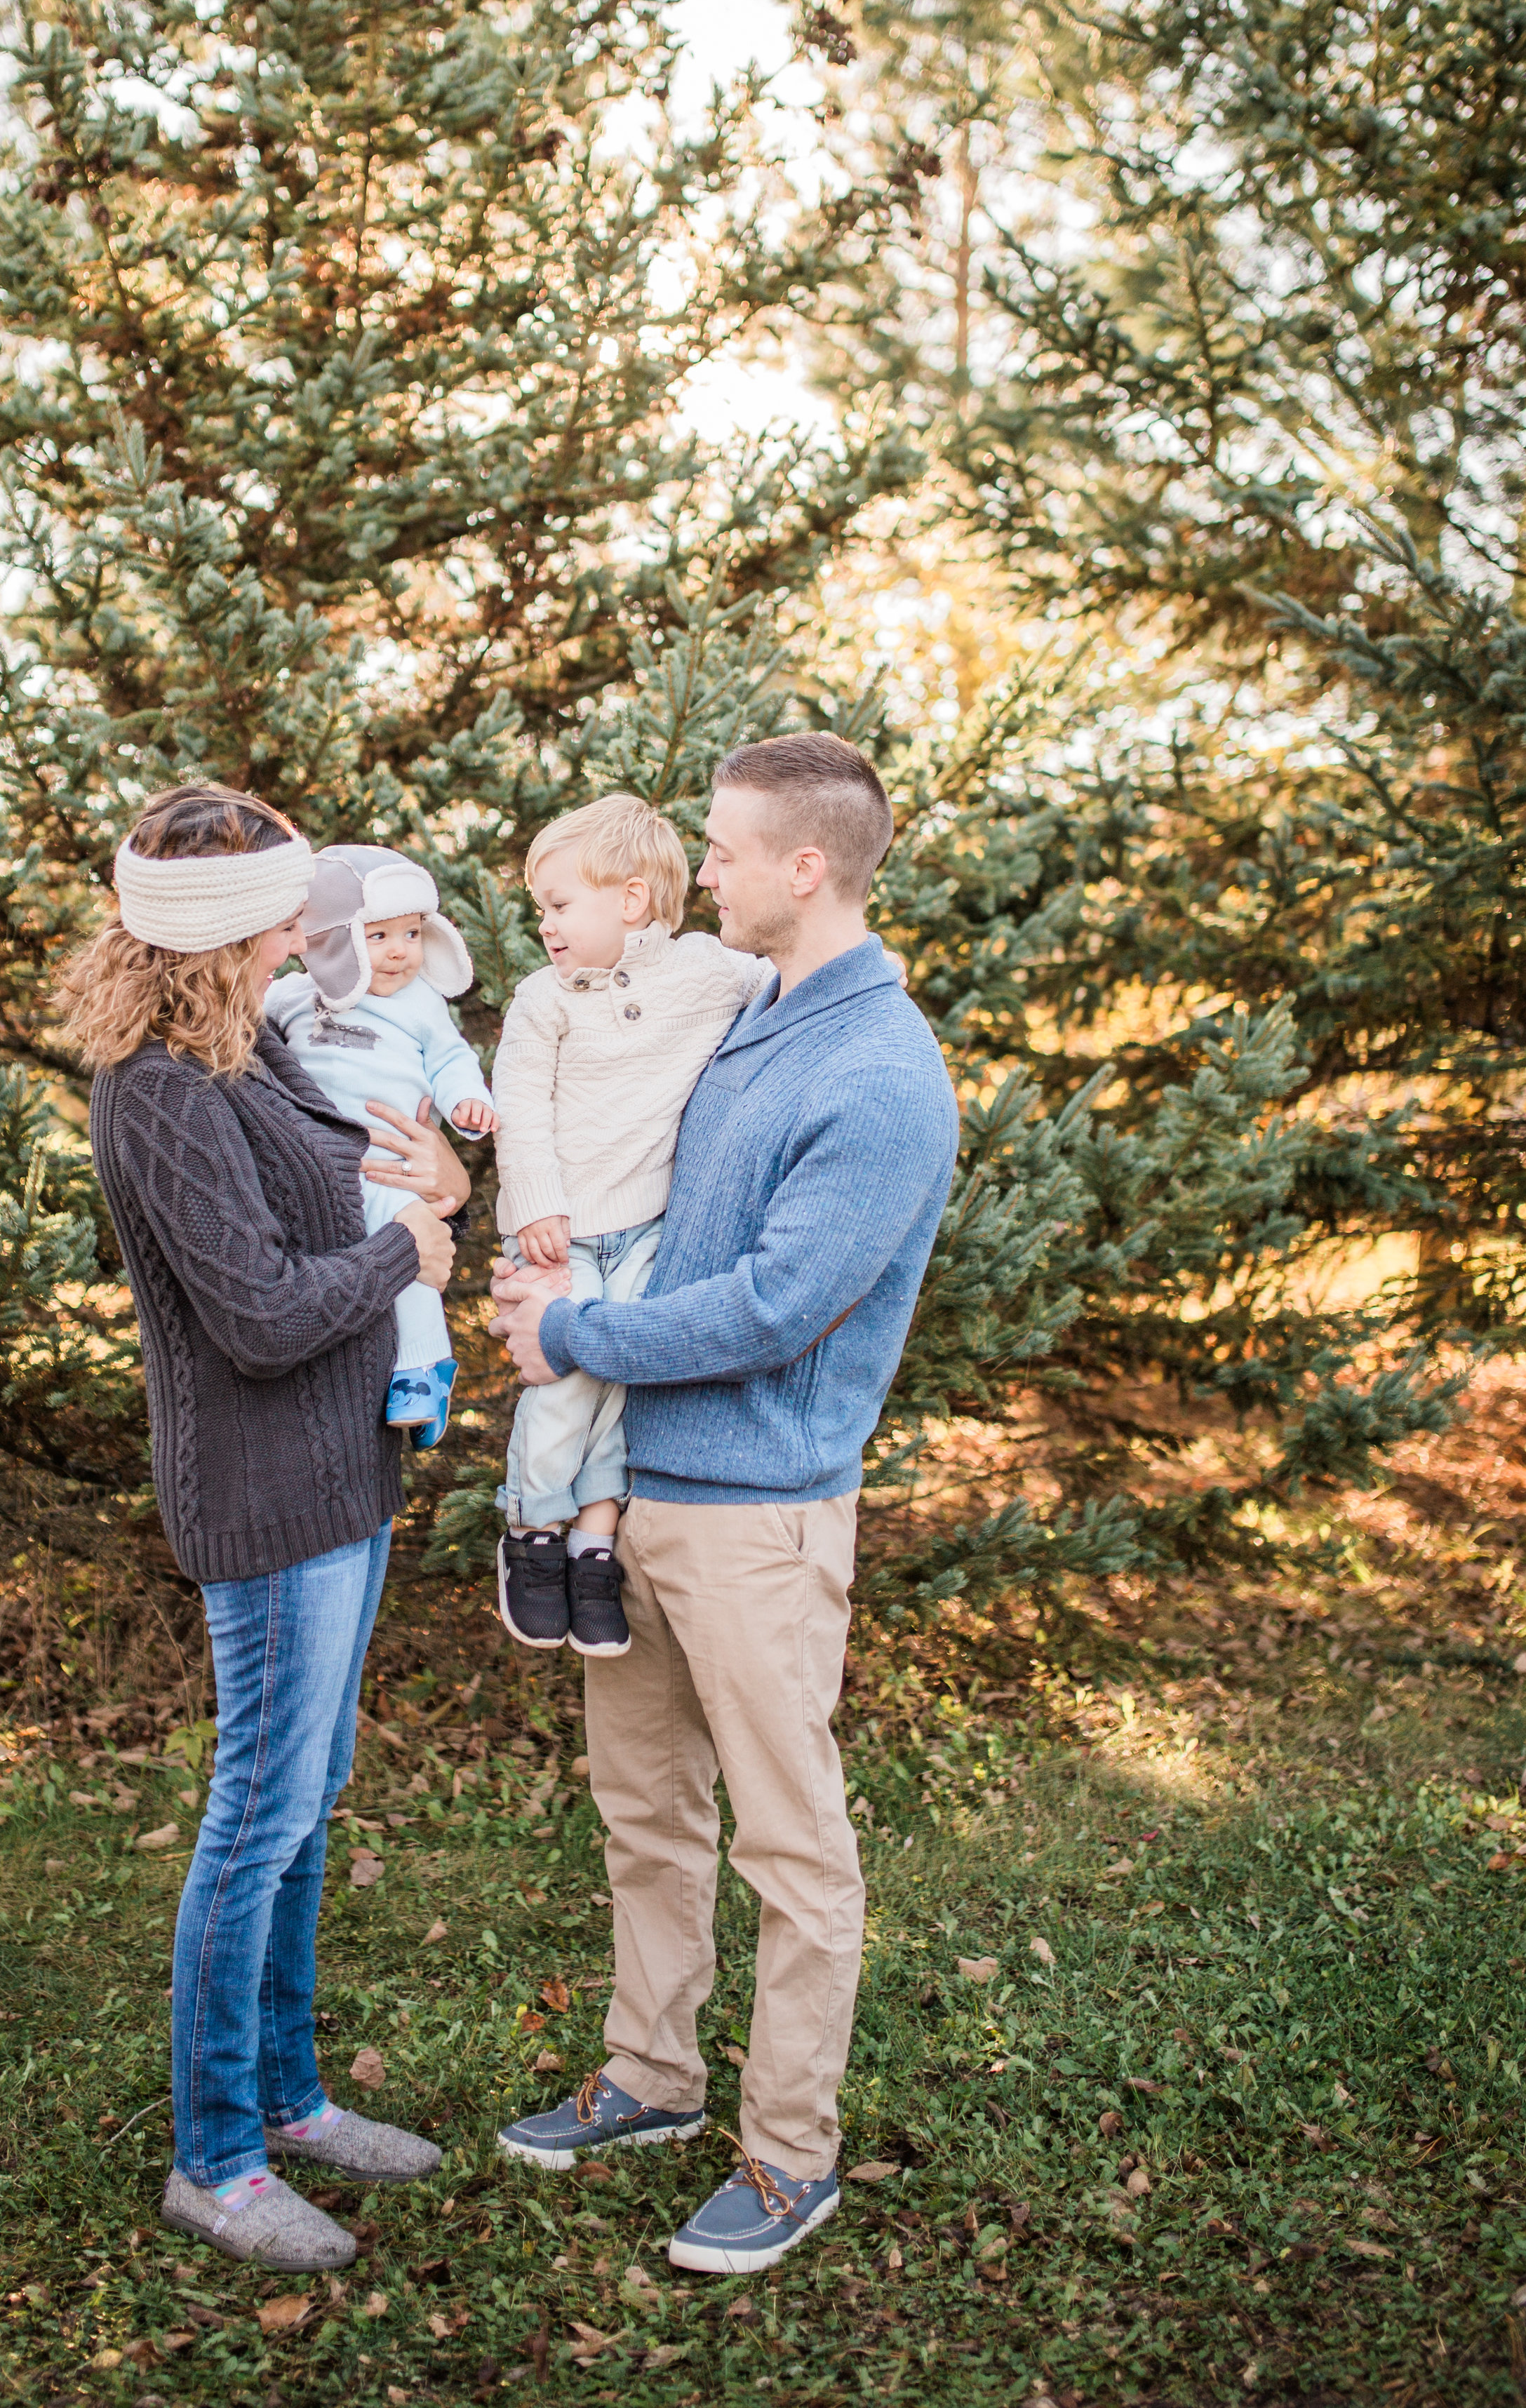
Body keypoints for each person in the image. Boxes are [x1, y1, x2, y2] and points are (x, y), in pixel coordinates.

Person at [490, 733, 960, 2277]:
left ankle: (787, 2155)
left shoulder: (878, 1071)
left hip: (760, 1514)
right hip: (636, 1499)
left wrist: (573, 1338)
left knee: (791, 1848)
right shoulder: (743, 1010)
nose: (700, 871)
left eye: (720, 849)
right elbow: (603, 1120)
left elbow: (776, 1308)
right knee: (643, 1813)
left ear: (801, 868)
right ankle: (650, 2077)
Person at [62, 782, 469, 2273]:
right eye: (286, 907)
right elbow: (251, 1315)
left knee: (306, 1805)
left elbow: (347, 1196)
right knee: (255, 1821)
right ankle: (216, 2160)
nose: (312, 925)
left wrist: (429, 1190)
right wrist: (401, 1249)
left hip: (341, 1468)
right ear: (222, 933)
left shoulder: (252, 1040)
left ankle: (290, 2101)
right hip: (263, 1485)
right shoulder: (160, 1087)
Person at [488, 794, 769, 1659]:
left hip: (651, 1227)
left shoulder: (708, 970)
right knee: (567, 1385)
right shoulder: (544, 1000)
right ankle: (533, 1530)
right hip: (559, 1232)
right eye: (541, 909)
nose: (546, 925)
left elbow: (795, 979)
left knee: (621, 1387)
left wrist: (884, 971)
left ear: (633, 901)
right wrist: (535, 1202)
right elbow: (520, 1104)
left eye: (560, 905)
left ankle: (593, 1542)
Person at [266, 843, 495, 1448]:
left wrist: (466, 1104)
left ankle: (423, 1370)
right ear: (335, 940)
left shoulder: (421, 1004)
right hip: (321, 1167)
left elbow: (451, 1059)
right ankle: (384, 1376)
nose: (400, 950)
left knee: (411, 1255)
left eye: (413, 934)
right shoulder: (294, 995)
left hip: (394, 1164)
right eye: (379, 935)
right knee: (356, 1270)